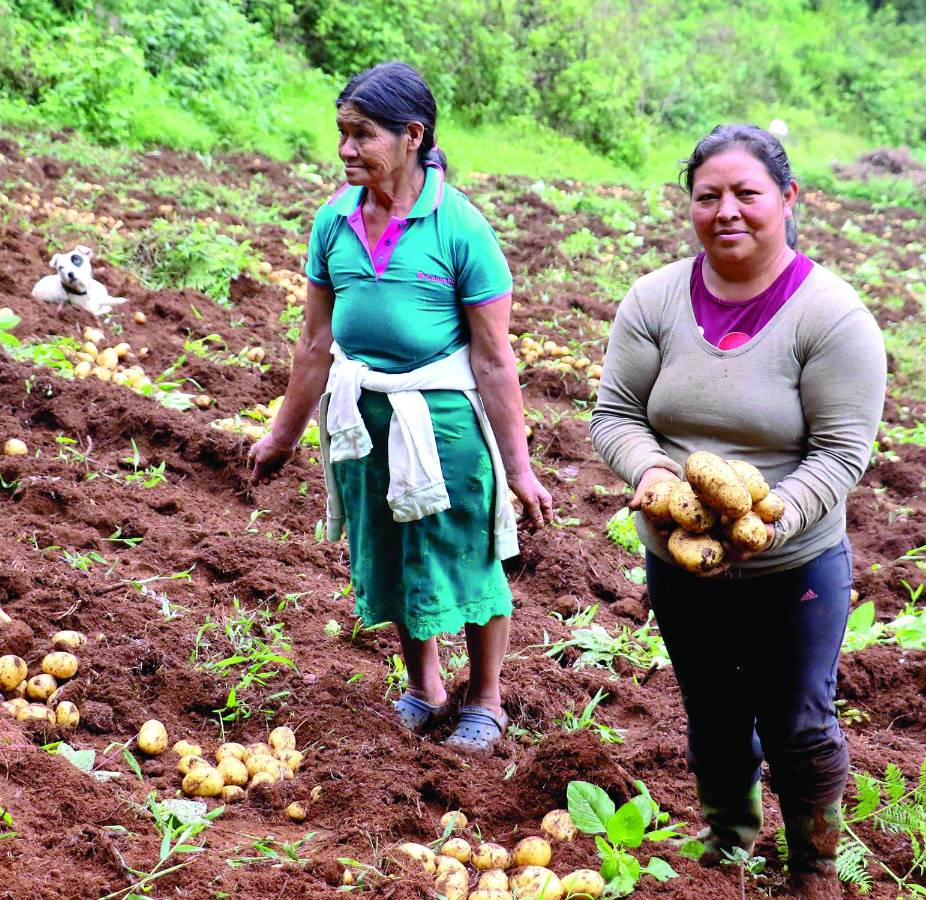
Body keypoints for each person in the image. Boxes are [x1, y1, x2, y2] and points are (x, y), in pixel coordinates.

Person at [590, 124, 886, 899]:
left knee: (798, 721)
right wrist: (654, 473)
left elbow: (841, 453)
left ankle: (815, 864)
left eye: (747, 194)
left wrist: (773, 515)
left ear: (788, 199)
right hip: (681, 557)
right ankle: (726, 848)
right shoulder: (654, 300)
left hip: (796, 561)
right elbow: (615, 414)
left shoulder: (832, 317)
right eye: (707, 196)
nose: (726, 211)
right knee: (714, 712)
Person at [249, 61, 552, 754]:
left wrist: (520, 469)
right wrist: (283, 435)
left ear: (412, 135)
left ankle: (488, 697)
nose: (346, 149)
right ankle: (424, 686)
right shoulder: (334, 219)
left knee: (467, 554)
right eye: (342, 134)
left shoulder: (460, 228)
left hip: (444, 421)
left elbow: (494, 358)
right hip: (364, 419)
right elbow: (314, 342)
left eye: (362, 135)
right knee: (390, 548)